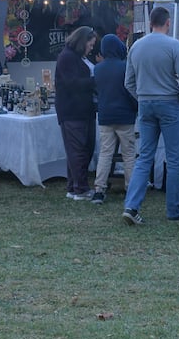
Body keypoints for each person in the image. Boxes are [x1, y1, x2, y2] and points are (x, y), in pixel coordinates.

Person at [121, 6, 179, 225]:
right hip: (170, 103)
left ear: (150, 22)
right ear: (168, 22)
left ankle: (131, 207)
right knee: (174, 160)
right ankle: (174, 211)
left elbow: (128, 83)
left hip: (145, 105)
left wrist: (143, 97)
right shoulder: (175, 45)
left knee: (144, 157)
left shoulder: (135, 46)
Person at [91, 33, 137, 206]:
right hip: (125, 116)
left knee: (105, 153)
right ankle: (130, 189)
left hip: (105, 116)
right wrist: (136, 108)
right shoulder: (125, 67)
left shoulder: (98, 68)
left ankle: (99, 190)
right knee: (129, 154)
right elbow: (131, 91)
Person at [54, 26, 99, 201]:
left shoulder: (76, 57)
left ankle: (73, 187)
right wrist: (95, 81)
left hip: (83, 110)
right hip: (72, 111)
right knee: (77, 150)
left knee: (83, 149)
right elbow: (72, 83)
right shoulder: (67, 57)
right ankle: (80, 189)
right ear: (82, 41)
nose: (91, 47)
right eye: (90, 43)